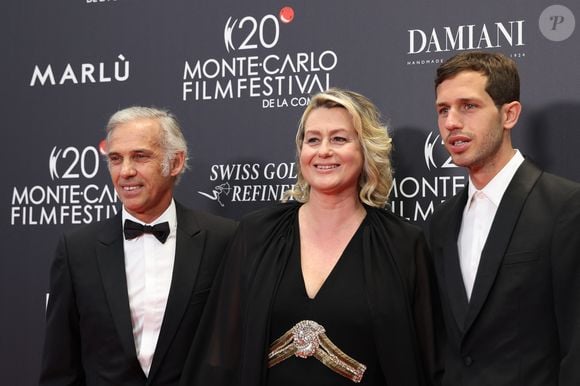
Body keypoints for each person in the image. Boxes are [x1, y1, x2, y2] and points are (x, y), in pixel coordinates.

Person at [179, 88, 442, 386]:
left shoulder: (402, 244)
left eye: (339, 139)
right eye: (313, 139)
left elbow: (423, 362)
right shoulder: (257, 233)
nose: (323, 151)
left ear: (365, 149)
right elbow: (220, 356)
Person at [39, 106, 237, 386]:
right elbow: (60, 366)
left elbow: (238, 351)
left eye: (140, 156)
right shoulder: (76, 250)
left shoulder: (223, 240)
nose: (126, 171)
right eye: (116, 159)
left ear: (176, 162)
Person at [429, 51, 580, 386]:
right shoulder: (440, 223)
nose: (452, 122)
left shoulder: (566, 207)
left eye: (468, 106)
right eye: (443, 110)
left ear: (509, 114)